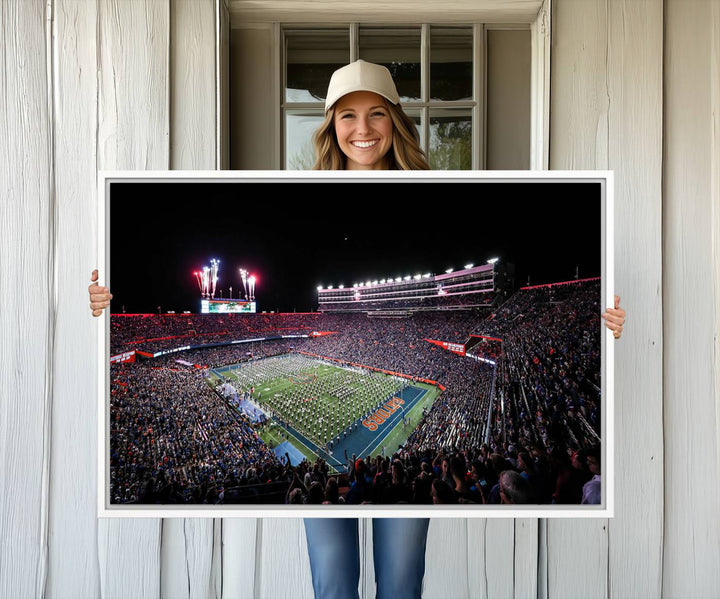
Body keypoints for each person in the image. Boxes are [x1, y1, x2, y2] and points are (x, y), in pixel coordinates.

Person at [88, 59, 627, 599]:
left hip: (396, 484)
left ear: (396, 120)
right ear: (329, 126)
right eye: (347, 115)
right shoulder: (302, 182)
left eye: (376, 114)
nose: (362, 129)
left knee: (399, 581)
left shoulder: (434, 181)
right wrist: (100, 308)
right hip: (344, 483)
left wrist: (608, 323)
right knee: (334, 582)